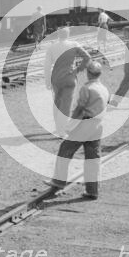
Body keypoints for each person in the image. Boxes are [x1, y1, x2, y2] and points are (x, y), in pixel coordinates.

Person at [48, 61, 109, 199]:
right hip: (98, 125)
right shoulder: (104, 88)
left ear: (88, 73)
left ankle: (58, 182)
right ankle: (92, 190)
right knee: (93, 158)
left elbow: (80, 108)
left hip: (85, 123)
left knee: (65, 150)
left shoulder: (86, 88)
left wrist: (70, 125)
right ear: (100, 74)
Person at [44, 26, 91, 136]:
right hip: (70, 78)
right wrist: (79, 69)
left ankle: (57, 127)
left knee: (57, 103)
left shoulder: (52, 47)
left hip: (56, 79)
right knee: (66, 105)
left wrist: (47, 81)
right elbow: (87, 57)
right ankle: (61, 131)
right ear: (68, 35)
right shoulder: (74, 45)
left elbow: (47, 66)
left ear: (58, 34)